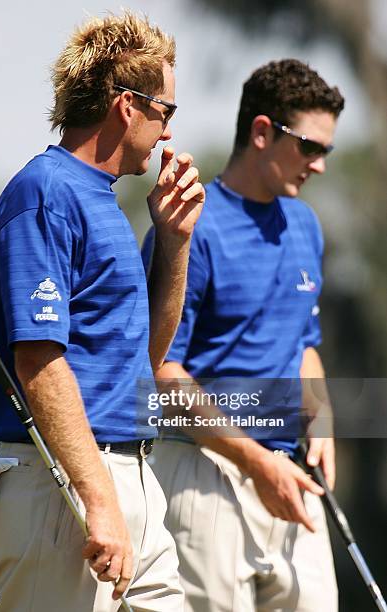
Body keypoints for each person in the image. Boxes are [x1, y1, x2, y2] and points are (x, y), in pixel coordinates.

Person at [0, 12, 204, 612]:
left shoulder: (102, 201)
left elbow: (144, 360)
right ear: (127, 105)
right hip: (67, 489)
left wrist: (174, 240)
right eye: (165, 112)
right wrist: (97, 497)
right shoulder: (45, 191)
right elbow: (39, 361)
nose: (168, 133)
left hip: (130, 477)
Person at [142, 59, 345, 611]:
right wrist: (256, 462)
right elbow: (161, 371)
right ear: (261, 133)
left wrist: (320, 422)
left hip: (288, 476)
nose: (320, 165)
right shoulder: (190, 226)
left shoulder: (305, 225)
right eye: (309, 146)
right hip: (203, 474)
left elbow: (304, 344)